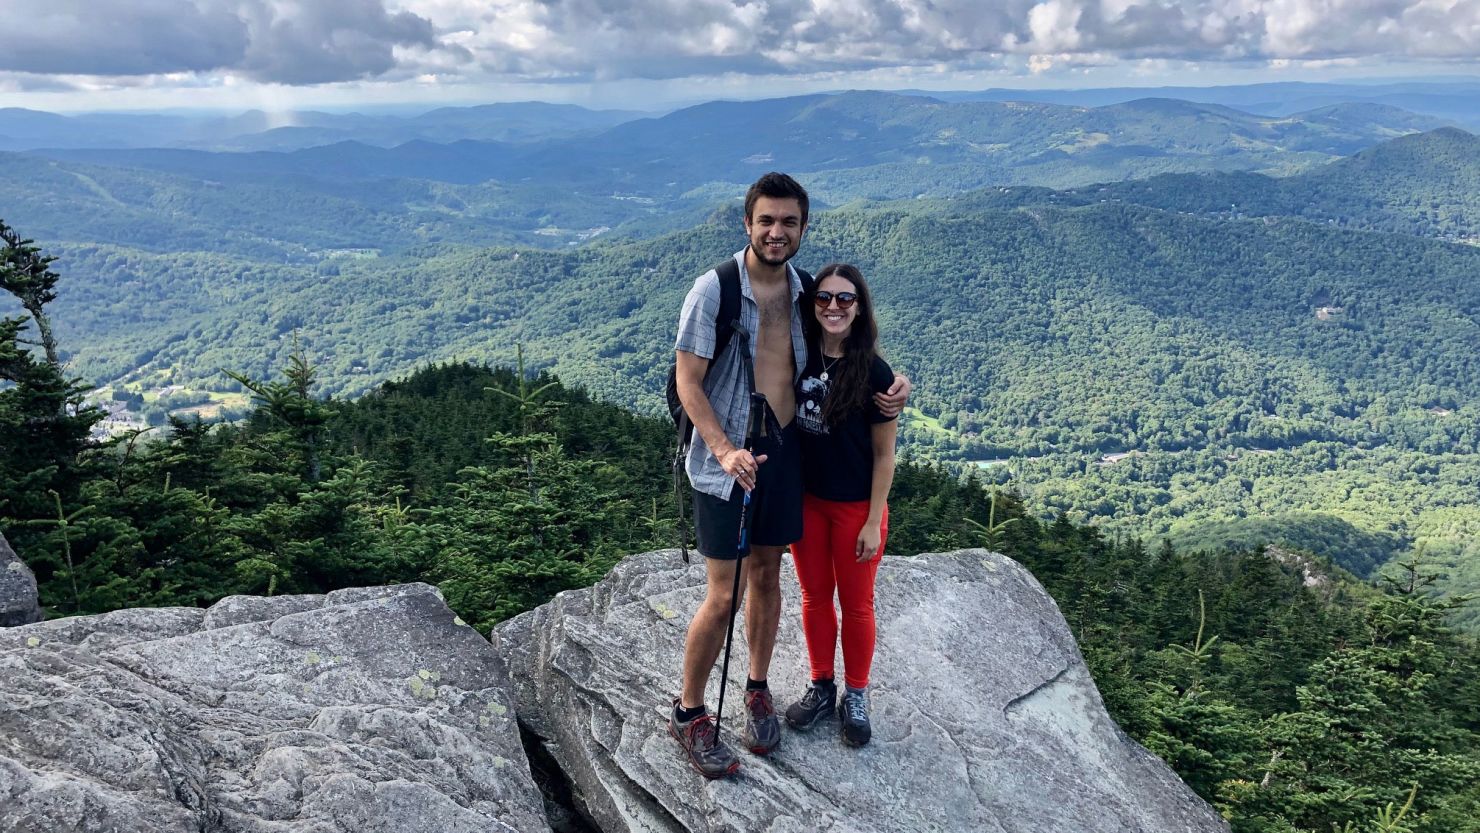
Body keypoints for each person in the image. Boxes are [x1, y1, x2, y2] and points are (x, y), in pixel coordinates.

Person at [670, 173, 908, 778]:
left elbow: (840, 349)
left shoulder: (805, 291)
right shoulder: (714, 291)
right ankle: (689, 712)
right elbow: (687, 383)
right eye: (766, 221)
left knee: (770, 575)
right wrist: (723, 450)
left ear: (803, 227)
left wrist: (892, 387)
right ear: (747, 224)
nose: (777, 232)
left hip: (782, 455)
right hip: (726, 464)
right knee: (724, 594)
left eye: (789, 222)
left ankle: (755, 686)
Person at [784, 263, 897, 748]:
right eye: (823, 298)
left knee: (855, 605)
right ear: (812, 306)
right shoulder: (798, 355)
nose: (833, 306)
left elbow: (884, 454)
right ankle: (821, 683)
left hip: (854, 509)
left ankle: (855, 694)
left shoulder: (874, 371)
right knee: (813, 597)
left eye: (845, 299)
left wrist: (873, 520)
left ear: (859, 306)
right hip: (807, 503)